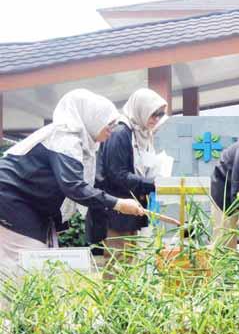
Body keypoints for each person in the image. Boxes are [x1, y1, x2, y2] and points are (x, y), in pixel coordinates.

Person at [0, 89, 144, 277]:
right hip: (12, 199)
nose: (112, 129)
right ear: (92, 118)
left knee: (34, 261)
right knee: (26, 259)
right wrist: (118, 203)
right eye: (108, 123)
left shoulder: (82, 143)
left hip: (29, 205)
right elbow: (74, 186)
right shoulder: (65, 138)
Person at [87, 88, 168, 253]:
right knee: (118, 263)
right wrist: (152, 183)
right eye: (153, 113)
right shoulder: (120, 132)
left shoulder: (140, 134)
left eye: (160, 114)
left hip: (130, 212)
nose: (156, 118)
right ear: (141, 109)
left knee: (129, 261)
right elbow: (117, 175)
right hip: (115, 214)